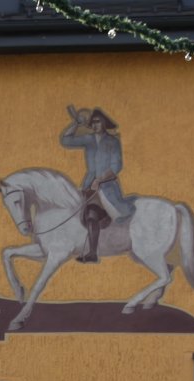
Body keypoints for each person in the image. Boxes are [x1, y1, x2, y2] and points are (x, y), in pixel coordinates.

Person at [60, 105, 133, 264]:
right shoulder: (88, 139)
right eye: (93, 122)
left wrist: (99, 180)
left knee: (92, 213)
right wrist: (76, 124)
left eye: (98, 122)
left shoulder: (113, 141)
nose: (95, 125)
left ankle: (92, 253)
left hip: (107, 187)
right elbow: (65, 140)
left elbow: (116, 166)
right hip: (88, 185)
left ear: (105, 123)